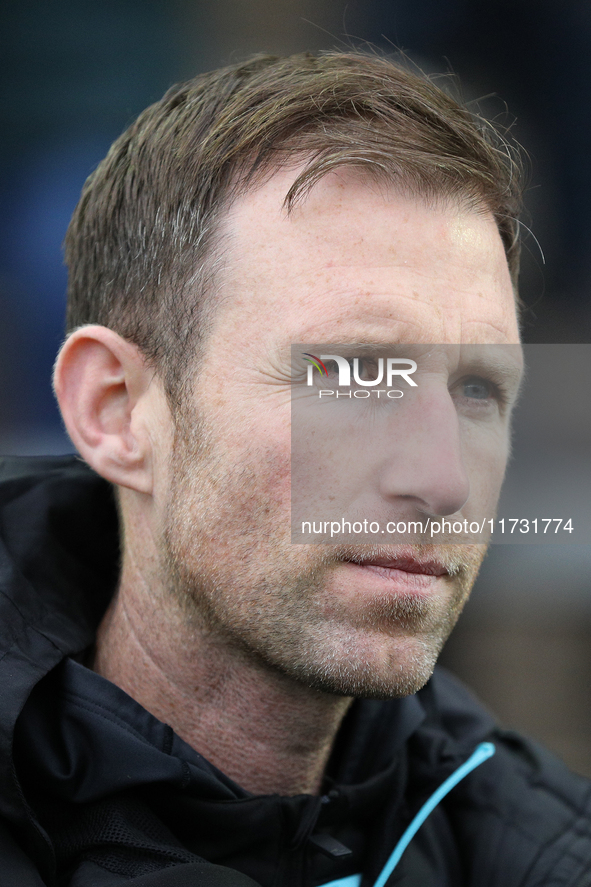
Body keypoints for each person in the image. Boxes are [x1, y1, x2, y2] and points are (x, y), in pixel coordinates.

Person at [1, 51, 590, 887]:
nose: (442, 480)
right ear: (115, 409)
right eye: (351, 374)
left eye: (476, 389)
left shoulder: (539, 847)